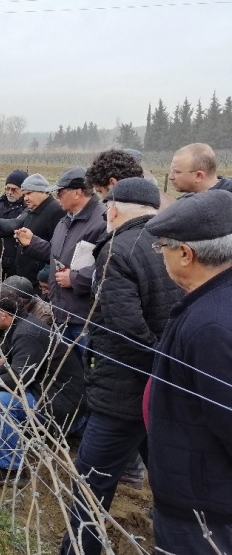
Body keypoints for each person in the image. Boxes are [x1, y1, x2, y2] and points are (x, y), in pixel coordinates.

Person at [59, 178, 183, 555]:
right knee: (169, 480)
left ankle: (79, 550)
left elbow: (127, 329)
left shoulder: (116, 251)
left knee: (92, 483)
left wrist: (155, 365)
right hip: (164, 386)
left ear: (113, 209)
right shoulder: (172, 245)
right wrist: (168, 368)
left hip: (122, 391)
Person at [142, 190, 232, 553]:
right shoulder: (209, 301)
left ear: (185, 253)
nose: (159, 254)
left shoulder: (212, 326)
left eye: (161, 246)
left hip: (205, 511)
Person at [0, 291, 86, 487]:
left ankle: (11, 469)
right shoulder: (19, 325)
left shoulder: (27, 333)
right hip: (46, 390)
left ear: (3, 315)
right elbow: (9, 362)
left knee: (3, 402)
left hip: (59, 401)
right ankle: (18, 435)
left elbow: (16, 381)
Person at [15, 168, 106, 351]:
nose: (57, 197)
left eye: (61, 192)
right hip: (61, 313)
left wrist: (74, 279)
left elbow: (108, 268)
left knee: (87, 372)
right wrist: (32, 243)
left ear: (78, 193)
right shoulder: (66, 221)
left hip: (84, 319)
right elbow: (55, 255)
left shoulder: (102, 221)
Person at [0, 174, 65, 287]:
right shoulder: (33, 209)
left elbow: (58, 250)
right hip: (26, 278)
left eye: (29, 193)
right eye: (24, 194)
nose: (25, 198)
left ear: (43, 192)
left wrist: (45, 276)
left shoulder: (55, 211)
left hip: (40, 281)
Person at [85, 148, 174, 211]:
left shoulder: (136, 213)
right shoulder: (163, 201)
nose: (102, 198)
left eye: (100, 191)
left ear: (113, 183)